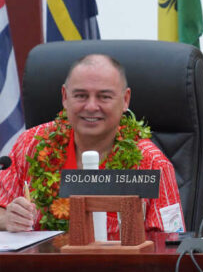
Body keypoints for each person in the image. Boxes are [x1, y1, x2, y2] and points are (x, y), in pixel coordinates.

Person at [0, 54, 184, 238]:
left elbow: (169, 244)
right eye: (81, 96)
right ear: (65, 97)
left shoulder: (151, 163)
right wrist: (8, 219)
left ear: (125, 100)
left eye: (104, 97)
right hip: (39, 264)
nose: (91, 106)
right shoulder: (32, 144)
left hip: (119, 266)